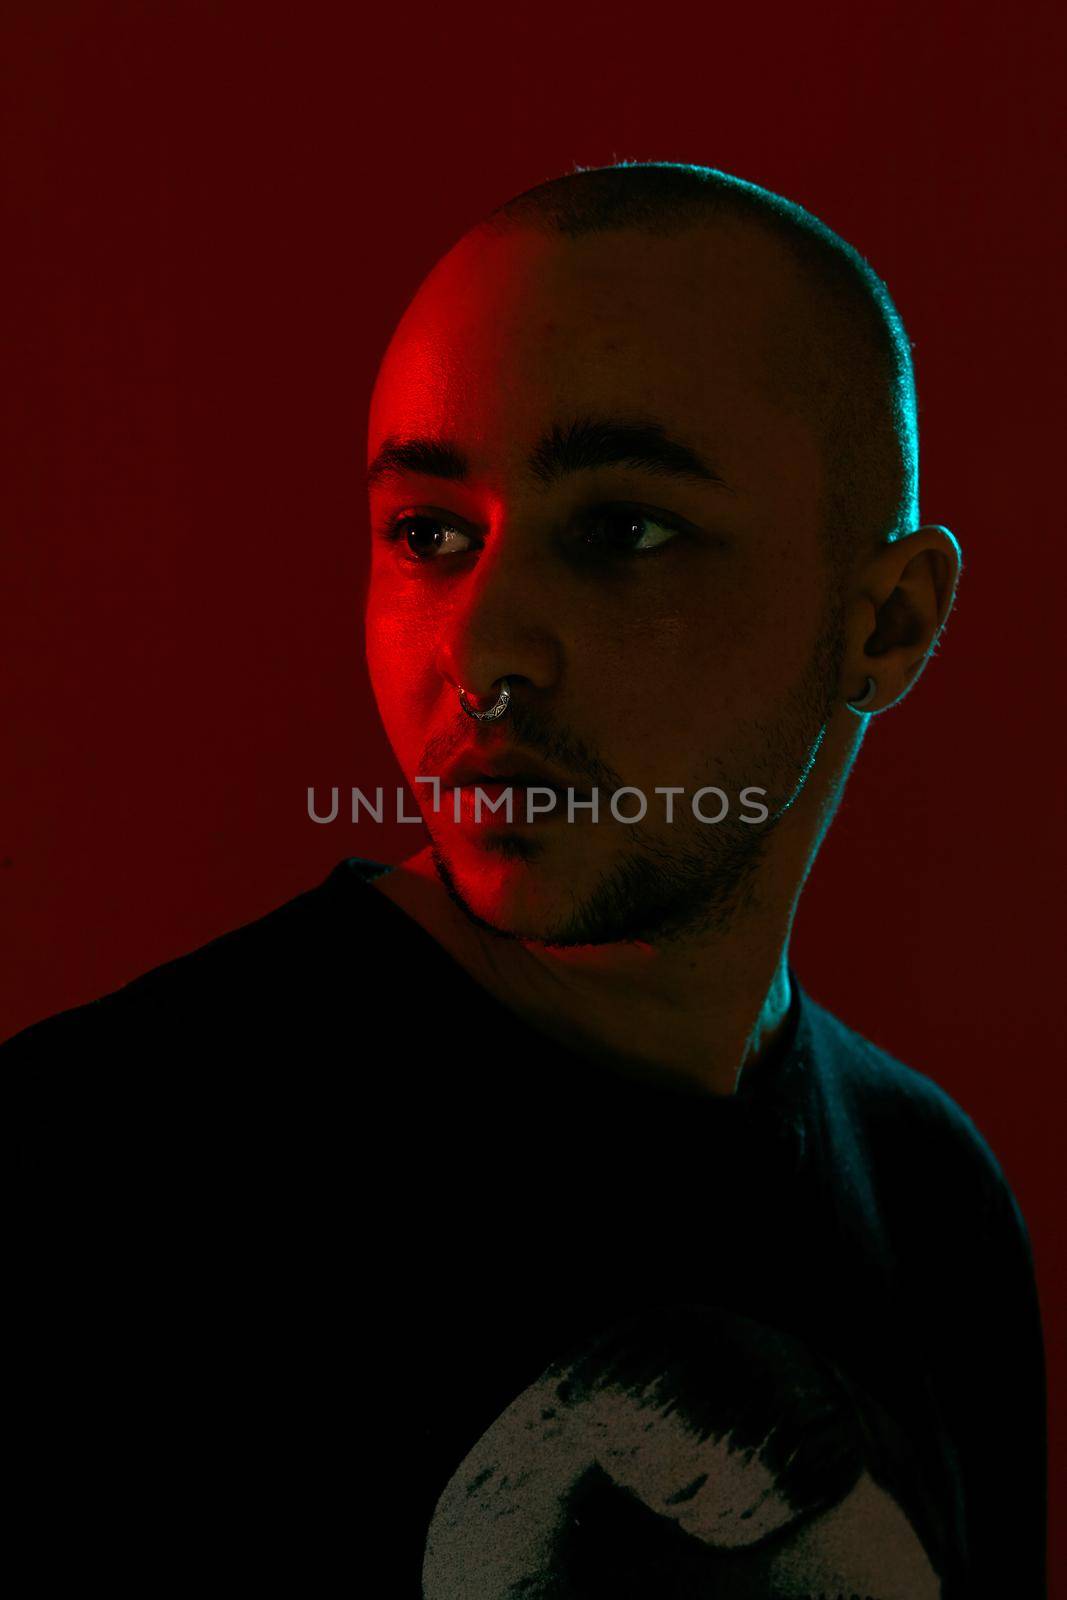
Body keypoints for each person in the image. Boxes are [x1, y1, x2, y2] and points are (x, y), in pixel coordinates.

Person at [7, 162, 1045, 1596]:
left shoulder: (937, 1211)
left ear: (889, 625)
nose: (486, 649)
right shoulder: (88, 1185)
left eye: (623, 530)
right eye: (430, 535)